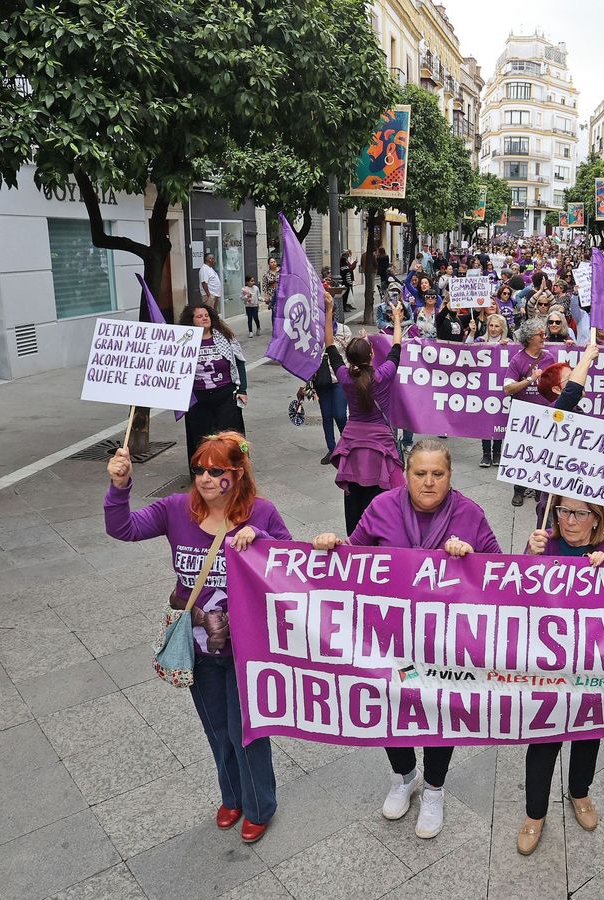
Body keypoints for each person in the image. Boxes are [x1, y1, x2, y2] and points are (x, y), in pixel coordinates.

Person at [104, 431, 288, 844]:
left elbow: (291, 566)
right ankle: (232, 797)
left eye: (215, 471)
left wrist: (263, 539)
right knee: (216, 728)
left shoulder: (262, 512)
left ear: (237, 474)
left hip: (248, 648)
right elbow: (124, 529)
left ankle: (260, 805)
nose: (204, 478)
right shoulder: (176, 509)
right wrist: (119, 487)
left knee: (247, 731)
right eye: (199, 470)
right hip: (199, 647)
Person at [311, 441, 500, 841]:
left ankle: (434, 789)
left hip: (445, 640)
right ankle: (405, 776)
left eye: (438, 474)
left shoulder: (469, 514)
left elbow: (500, 574)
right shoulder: (380, 508)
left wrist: (472, 558)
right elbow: (354, 556)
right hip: (388, 638)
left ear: (450, 476)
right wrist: (333, 546)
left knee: (439, 710)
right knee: (390, 706)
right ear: (406, 474)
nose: (429, 482)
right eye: (420, 473)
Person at [515, 495, 604, 854]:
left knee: (587, 733)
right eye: (564, 511)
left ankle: (579, 792)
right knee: (543, 736)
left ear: (597, 519)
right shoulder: (543, 543)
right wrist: (528, 558)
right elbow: (512, 593)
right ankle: (535, 814)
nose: (570, 520)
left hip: (593, 663)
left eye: (581, 513)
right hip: (546, 666)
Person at [327, 302, 406, 533]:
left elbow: (330, 345)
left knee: (353, 500)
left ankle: (354, 542)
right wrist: (397, 318)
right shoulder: (383, 375)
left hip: (352, 445)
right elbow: (397, 346)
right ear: (372, 354)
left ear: (349, 358)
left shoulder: (345, 377)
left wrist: (329, 310)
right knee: (381, 499)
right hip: (380, 445)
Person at [180, 304, 247, 463]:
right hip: (198, 399)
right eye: (199, 316)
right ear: (191, 321)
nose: (204, 318)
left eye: (206, 315)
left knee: (229, 436)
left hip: (225, 395)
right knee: (201, 438)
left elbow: (240, 363)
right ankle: (204, 468)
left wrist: (242, 389)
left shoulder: (226, 338)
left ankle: (233, 467)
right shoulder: (184, 342)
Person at [504, 321, 559, 507]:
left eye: (543, 334)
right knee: (521, 454)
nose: (544, 337)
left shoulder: (549, 357)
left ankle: (539, 490)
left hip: (545, 414)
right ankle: (518, 490)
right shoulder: (517, 360)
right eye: (539, 334)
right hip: (523, 415)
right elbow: (508, 388)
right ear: (528, 338)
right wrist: (530, 379)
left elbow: (556, 383)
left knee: (542, 453)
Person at [309, 296, 350, 465]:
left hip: (340, 377)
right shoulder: (313, 332)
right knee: (326, 415)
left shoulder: (344, 330)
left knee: (340, 415)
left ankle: (348, 445)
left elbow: (350, 353)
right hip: (322, 378)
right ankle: (332, 449)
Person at [476, 313, 512, 467]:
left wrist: (508, 346)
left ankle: (497, 453)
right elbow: (464, 349)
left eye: (497, 326)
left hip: (500, 386)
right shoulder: (480, 340)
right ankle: (486, 454)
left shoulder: (509, 343)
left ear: (502, 328)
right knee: (485, 419)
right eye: (491, 325)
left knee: (498, 418)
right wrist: (472, 334)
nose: (493, 329)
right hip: (483, 385)